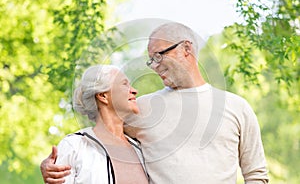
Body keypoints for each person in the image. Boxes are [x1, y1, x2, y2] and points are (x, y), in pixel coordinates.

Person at [41, 22, 269, 183]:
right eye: (151, 60)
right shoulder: (141, 108)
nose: (154, 65)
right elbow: (97, 136)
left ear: (186, 49)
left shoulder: (237, 107)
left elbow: (256, 175)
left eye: (159, 56)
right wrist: (52, 165)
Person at [41, 65, 149, 184]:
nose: (134, 90)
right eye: (124, 84)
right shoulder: (75, 146)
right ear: (103, 96)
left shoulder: (140, 148)